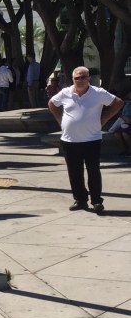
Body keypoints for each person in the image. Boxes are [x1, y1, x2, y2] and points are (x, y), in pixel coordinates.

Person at [48, 66, 123, 213]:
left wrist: (104, 120)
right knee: (74, 173)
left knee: (93, 171)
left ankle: (96, 201)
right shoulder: (65, 93)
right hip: (69, 141)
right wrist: (60, 120)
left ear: (89, 78)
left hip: (92, 140)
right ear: (73, 79)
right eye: (77, 78)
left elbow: (118, 103)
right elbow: (52, 104)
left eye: (83, 77)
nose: (80, 80)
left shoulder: (98, 93)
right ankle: (80, 200)